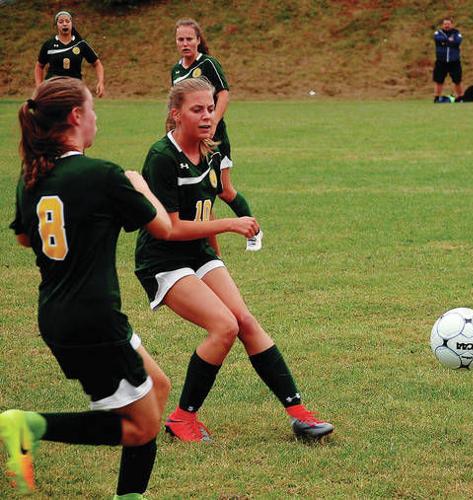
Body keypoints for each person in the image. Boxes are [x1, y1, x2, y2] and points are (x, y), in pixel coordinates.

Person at [134, 78, 334, 443]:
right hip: (163, 259)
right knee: (223, 327)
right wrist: (230, 223)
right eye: (197, 110)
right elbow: (170, 228)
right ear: (176, 115)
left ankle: (299, 414)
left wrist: (216, 263)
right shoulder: (162, 157)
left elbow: (205, 208)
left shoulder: (211, 152)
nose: (207, 115)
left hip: (199, 254)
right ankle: (182, 419)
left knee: (244, 320)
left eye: (210, 108)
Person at [3, 77, 172, 498]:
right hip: (93, 319)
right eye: (92, 109)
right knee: (141, 426)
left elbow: (26, 238)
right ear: (77, 117)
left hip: (59, 313)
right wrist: (140, 184)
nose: (96, 118)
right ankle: (27, 425)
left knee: (159, 386)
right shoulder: (102, 175)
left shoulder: (32, 178)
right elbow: (164, 228)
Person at [171, 18, 261, 249]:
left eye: (189, 39)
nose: (185, 43)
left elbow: (224, 94)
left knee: (224, 190)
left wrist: (212, 122)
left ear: (198, 40)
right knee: (201, 192)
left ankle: (254, 231)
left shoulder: (209, 64)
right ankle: (208, 248)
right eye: (181, 39)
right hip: (190, 142)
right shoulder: (177, 70)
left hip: (215, 139)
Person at [35, 11, 105, 98]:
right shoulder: (49, 44)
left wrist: (100, 82)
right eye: (61, 22)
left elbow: (97, 64)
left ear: (71, 24)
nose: (65, 24)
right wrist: (39, 87)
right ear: (56, 25)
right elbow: (39, 66)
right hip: (53, 88)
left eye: (67, 21)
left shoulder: (80, 44)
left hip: (74, 88)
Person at [432, 18, 463, 102]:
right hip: (441, 61)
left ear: (452, 24)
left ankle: (460, 97)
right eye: (445, 24)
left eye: (448, 24)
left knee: (457, 80)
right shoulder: (438, 33)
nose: (447, 25)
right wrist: (448, 40)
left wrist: (445, 42)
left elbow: (458, 41)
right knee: (439, 80)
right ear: (442, 25)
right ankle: (437, 97)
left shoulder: (456, 32)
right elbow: (438, 39)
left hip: (454, 61)